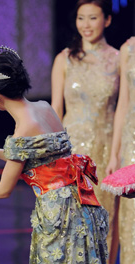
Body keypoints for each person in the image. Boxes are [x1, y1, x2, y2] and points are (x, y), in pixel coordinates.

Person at [0, 45, 109, 263]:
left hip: (59, 213)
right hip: (82, 203)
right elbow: (43, 158)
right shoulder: (44, 107)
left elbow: (2, 190)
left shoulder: (23, 130)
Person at [50, 1, 120, 262]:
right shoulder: (65, 58)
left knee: (104, 221)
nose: (86, 25)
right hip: (72, 153)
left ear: (108, 20)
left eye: (93, 18)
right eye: (81, 18)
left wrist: (117, 154)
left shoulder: (119, 58)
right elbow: (56, 108)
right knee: (71, 222)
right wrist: (53, 153)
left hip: (106, 151)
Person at [106, 36, 135, 264]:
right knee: (130, 223)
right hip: (131, 141)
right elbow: (123, 102)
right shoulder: (129, 48)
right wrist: (115, 152)